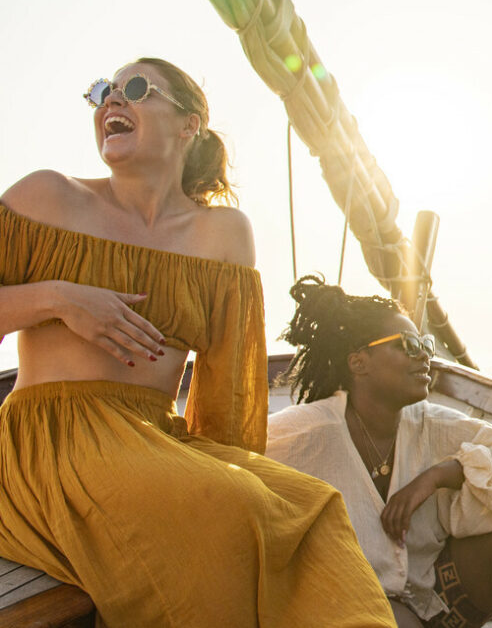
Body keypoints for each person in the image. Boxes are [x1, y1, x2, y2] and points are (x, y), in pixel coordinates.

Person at [0, 58, 397, 626]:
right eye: (102, 92)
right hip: (49, 437)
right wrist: (60, 299)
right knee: (226, 506)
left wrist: (226, 465)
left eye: (135, 89)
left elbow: (229, 391)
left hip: (153, 436)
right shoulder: (49, 197)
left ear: (190, 124)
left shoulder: (222, 234)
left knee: (311, 508)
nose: (112, 101)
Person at [267, 275, 492, 628]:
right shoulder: (304, 435)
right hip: (350, 609)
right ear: (358, 362)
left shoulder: (430, 424)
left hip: (433, 598)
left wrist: (437, 476)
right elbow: (235, 468)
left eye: (426, 344)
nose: (425, 355)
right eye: (409, 344)